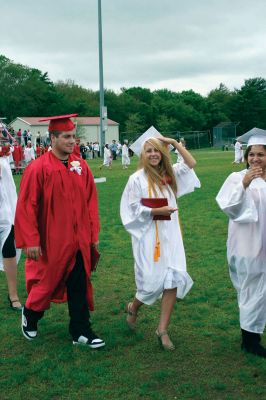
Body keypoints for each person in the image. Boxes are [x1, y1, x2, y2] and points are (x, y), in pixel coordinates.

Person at [15, 113, 105, 348]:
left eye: (74, 136)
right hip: (51, 239)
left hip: (79, 238)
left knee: (79, 281)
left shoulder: (81, 166)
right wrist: (31, 240)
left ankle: (81, 331)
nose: (72, 141)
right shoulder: (38, 168)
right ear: (52, 138)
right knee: (48, 280)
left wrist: (92, 235)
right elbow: (27, 206)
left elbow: (90, 203)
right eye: (66, 136)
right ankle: (31, 314)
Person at [120, 127, 200, 350]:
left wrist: (174, 142)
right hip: (148, 235)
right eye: (148, 151)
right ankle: (134, 306)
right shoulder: (136, 179)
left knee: (172, 279)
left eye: (157, 150)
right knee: (150, 283)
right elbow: (130, 209)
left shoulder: (170, 174)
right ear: (142, 155)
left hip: (171, 233)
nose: (153, 154)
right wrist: (154, 211)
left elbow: (191, 163)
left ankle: (162, 329)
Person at [216, 127, 266, 358]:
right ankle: (250, 340)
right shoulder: (236, 178)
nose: (255, 159)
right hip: (246, 243)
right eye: (252, 154)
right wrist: (245, 183)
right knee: (250, 289)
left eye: (261, 154)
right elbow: (229, 207)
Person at [0, 132, 22, 311]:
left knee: (9, 248)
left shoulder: (4, 155)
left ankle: (13, 294)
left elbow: (9, 186)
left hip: (5, 212)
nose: (2, 136)